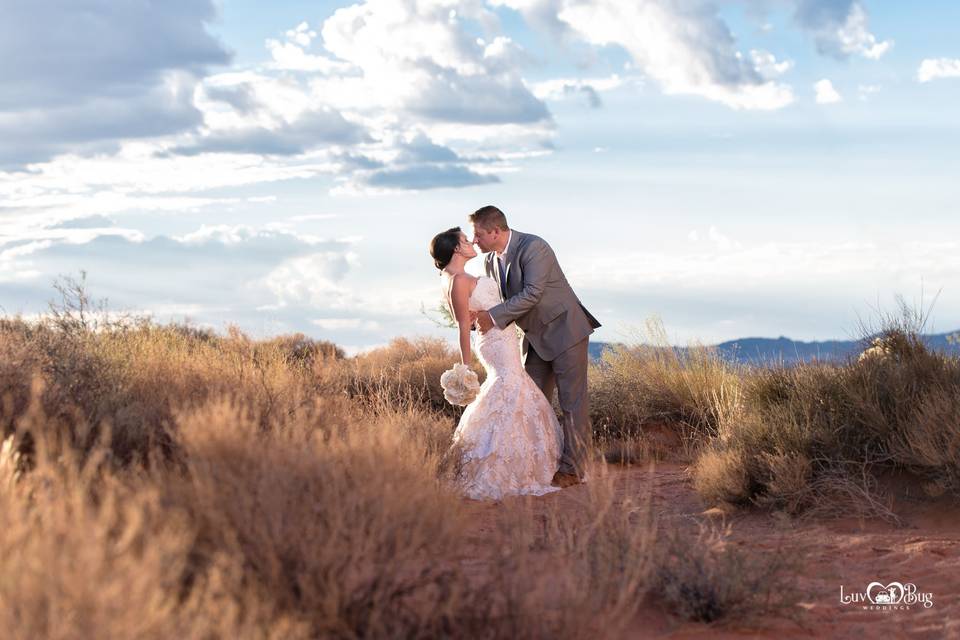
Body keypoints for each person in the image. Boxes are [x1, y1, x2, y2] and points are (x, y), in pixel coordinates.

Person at [469, 205, 600, 486]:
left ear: (495, 231)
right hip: (535, 338)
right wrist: (476, 318)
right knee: (532, 401)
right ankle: (536, 463)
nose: (474, 240)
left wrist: (491, 317)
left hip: (565, 331)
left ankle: (572, 469)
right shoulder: (491, 261)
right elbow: (500, 301)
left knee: (572, 404)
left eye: (478, 234)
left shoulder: (534, 247)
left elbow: (532, 293)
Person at [429, 226, 562, 500]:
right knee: (509, 384)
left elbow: (468, 315)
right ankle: (503, 464)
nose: (471, 243)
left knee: (508, 387)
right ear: (456, 248)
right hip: (496, 342)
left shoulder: (452, 277)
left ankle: (510, 457)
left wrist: (484, 313)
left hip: (499, 336)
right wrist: (464, 368)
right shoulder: (459, 279)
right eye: (465, 240)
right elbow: (463, 325)